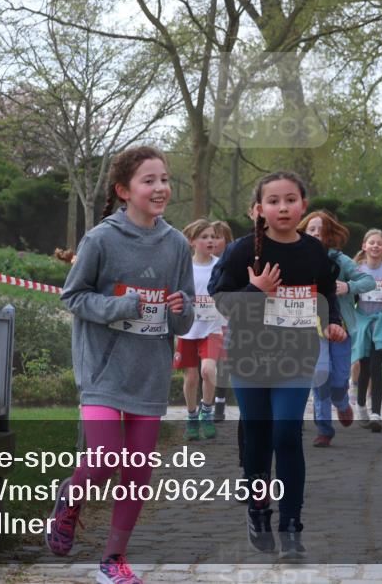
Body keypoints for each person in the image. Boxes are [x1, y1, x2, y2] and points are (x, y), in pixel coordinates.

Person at [47, 145, 194, 584]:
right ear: (124, 190)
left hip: (149, 375)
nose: (160, 188)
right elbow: (72, 297)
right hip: (103, 372)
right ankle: (70, 499)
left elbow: (184, 320)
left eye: (164, 179)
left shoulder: (176, 244)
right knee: (106, 455)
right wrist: (119, 305)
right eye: (149, 180)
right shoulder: (100, 239)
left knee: (136, 472)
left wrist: (178, 307)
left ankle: (113, 560)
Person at [208, 171, 346, 560]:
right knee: (258, 437)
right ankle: (257, 509)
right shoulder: (241, 251)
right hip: (250, 356)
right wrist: (255, 291)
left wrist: (334, 321)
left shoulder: (314, 252)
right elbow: (220, 299)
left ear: (303, 205)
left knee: (286, 433)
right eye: (273, 201)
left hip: (295, 357)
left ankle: (290, 525)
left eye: (290, 200)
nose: (282, 207)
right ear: (258, 209)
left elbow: (326, 292)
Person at [300, 210, 373, 446]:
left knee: (339, 379)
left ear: (329, 235)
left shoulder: (339, 260)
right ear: (303, 232)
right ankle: (324, 429)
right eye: (311, 229)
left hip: (340, 326)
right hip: (310, 327)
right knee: (320, 375)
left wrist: (347, 286)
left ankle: (341, 402)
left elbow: (368, 281)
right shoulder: (297, 257)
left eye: (321, 230)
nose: (315, 233)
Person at [175, 219, 223, 440]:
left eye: (213, 236)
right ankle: (192, 416)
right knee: (192, 377)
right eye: (204, 237)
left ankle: (207, 411)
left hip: (213, 327)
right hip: (188, 329)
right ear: (192, 242)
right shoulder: (184, 267)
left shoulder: (221, 266)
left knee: (208, 370)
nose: (210, 240)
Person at [351, 228, 382, 432]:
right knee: (364, 366)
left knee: (376, 366)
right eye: (371, 242)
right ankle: (361, 404)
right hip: (363, 322)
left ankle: (376, 413)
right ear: (364, 246)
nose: (375, 246)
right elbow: (351, 295)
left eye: (379, 243)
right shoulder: (358, 269)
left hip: (381, 322)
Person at [211, 219, 234, 422]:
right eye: (210, 237)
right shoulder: (201, 262)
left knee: (224, 361)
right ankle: (208, 399)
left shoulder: (233, 263)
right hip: (206, 320)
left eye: (218, 237)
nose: (214, 241)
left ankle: (220, 400)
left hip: (226, 319)